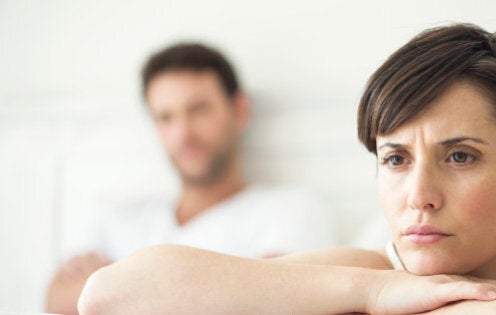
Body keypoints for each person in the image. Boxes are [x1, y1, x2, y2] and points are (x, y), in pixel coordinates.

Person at [77, 24, 496, 314]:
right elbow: (108, 297)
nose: (420, 196)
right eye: (395, 159)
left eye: (459, 156)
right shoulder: (373, 275)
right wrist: (370, 294)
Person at [45, 43, 338, 314]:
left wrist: (116, 281)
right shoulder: (115, 217)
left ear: (239, 110)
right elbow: (56, 299)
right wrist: (215, 286)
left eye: (198, 110)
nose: (183, 134)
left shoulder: (289, 209)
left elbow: (273, 301)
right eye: (166, 117)